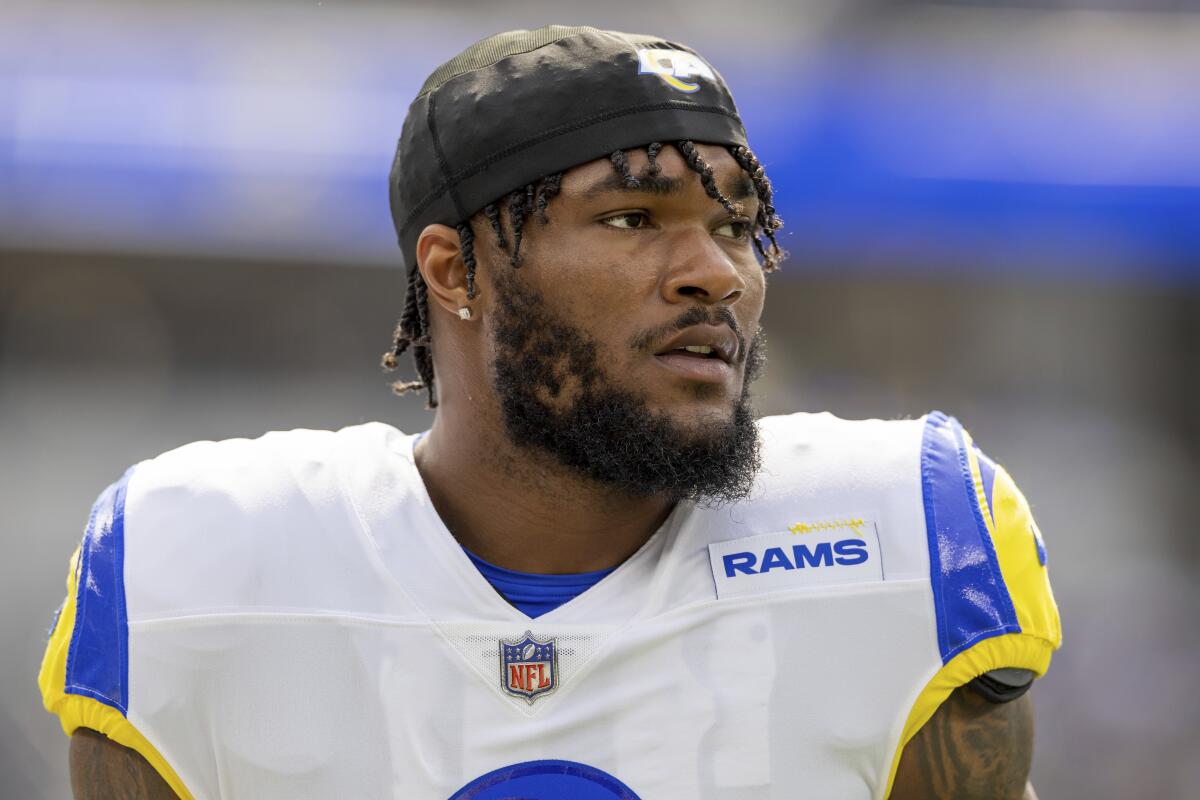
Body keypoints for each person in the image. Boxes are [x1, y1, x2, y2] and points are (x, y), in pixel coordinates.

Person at [38, 26, 1061, 799]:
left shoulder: (909, 535)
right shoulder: (197, 561)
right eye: (631, 218)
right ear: (456, 268)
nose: (716, 273)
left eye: (738, 226)